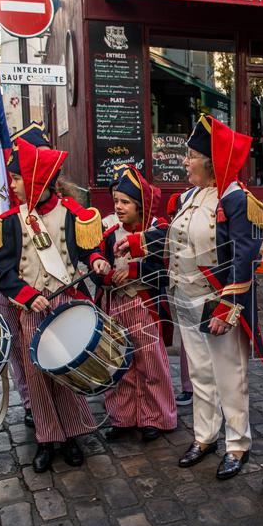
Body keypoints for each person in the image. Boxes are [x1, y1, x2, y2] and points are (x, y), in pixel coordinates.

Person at [120, 115, 263, 480]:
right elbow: (173, 236)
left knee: (230, 376)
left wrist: (227, 307)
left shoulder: (237, 201)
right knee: (200, 373)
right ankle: (205, 437)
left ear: (211, 160)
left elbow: (244, 257)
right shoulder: (188, 196)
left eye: (191, 155)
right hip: (184, 297)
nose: (185, 161)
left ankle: (237, 443)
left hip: (217, 303)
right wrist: (137, 242)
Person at [0, 137, 109, 472]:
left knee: (66, 372)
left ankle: (72, 435)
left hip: (66, 305)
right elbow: (4, 272)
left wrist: (97, 260)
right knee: (37, 376)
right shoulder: (10, 220)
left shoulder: (72, 213)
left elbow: (88, 250)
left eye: (17, 178)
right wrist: (27, 295)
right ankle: (46, 437)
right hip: (31, 309)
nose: (12, 184)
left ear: (36, 179)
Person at [97, 164, 176, 442]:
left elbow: (165, 271)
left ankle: (154, 416)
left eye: (126, 202)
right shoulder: (109, 234)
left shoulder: (158, 231)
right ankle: (124, 416)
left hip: (145, 306)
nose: (118, 207)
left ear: (141, 204)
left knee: (150, 363)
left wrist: (133, 271)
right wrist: (105, 275)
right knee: (120, 363)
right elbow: (99, 267)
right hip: (117, 307)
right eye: (116, 200)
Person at [0, 122, 51, 430]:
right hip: (10, 281)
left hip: (44, 283)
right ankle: (31, 404)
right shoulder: (4, 189)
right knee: (20, 354)